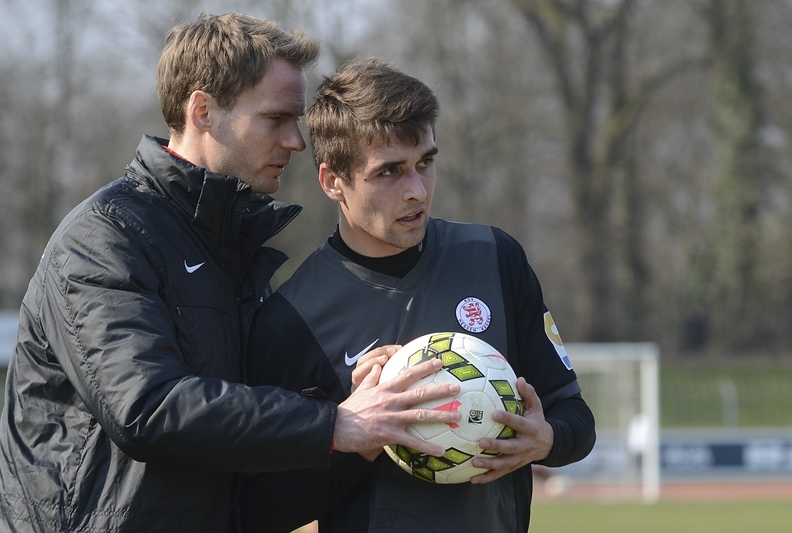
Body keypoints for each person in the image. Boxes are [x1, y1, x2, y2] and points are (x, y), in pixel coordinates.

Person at [0, 17, 462, 533]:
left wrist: (360, 419)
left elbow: (250, 496)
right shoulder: (105, 236)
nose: (297, 141)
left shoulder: (234, 250)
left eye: (297, 120)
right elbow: (146, 406)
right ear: (202, 111)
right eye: (276, 119)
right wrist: (338, 422)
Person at [242, 57, 596, 533]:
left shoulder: (493, 256)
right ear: (333, 182)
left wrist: (547, 440)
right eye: (389, 172)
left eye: (425, 163)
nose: (416, 191)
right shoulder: (291, 318)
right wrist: (359, 434)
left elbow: (575, 417)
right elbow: (262, 510)